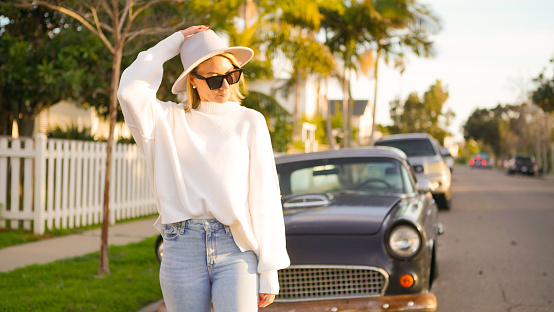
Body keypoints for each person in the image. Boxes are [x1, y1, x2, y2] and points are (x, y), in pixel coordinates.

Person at [117, 25, 290, 311]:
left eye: (231, 76)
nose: (225, 86)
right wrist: (174, 42)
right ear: (192, 81)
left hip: (235, 247)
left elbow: (265, 197)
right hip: (181, 248)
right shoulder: (165, 121)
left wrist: (269, 268)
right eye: (213, 79)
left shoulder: (250, 121)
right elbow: (129, 91)